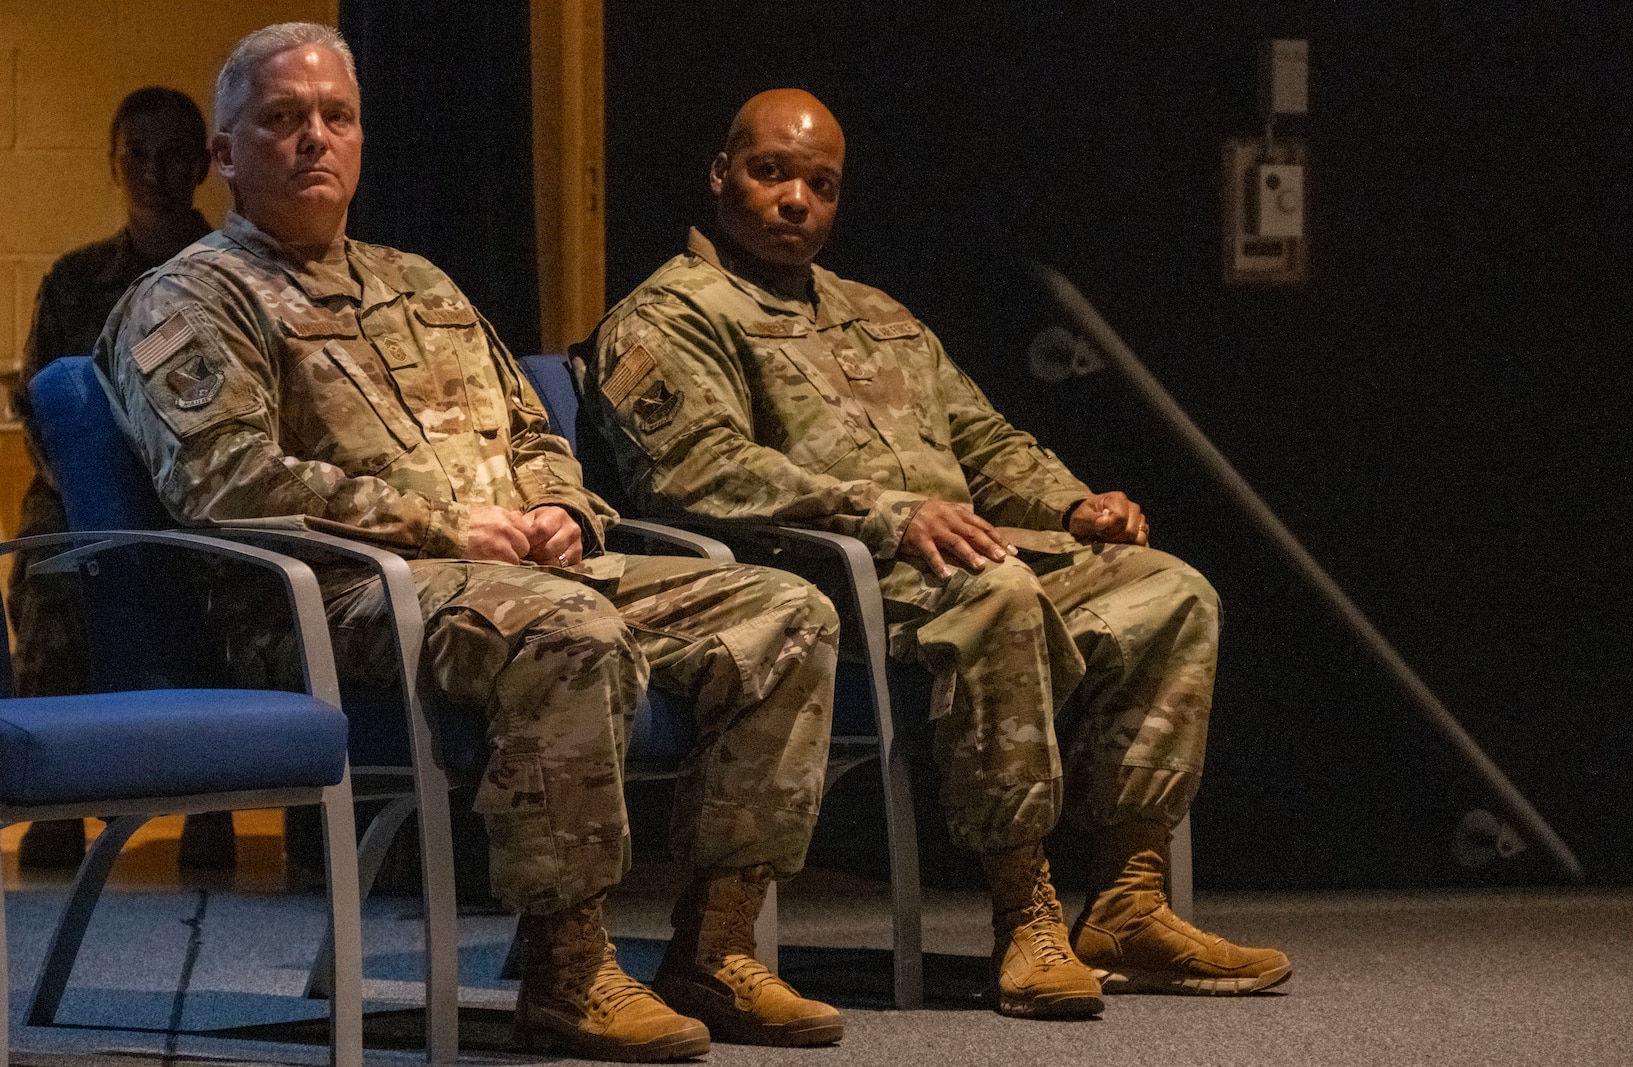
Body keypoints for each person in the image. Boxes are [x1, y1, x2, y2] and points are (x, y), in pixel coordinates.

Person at [95, 27, 843, 1060]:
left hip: (512, 573)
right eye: (281, 118)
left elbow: (537, 430)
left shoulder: (420, 282)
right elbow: (224, 482)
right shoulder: (190, 297)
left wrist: (559, 509)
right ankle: (566, 964)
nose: (316, 136)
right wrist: (445, 525)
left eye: (336, 117)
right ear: (225, 154)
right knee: (568, 627)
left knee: (786, 613)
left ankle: (715, 944)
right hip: (335, 602)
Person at [575, 89, 1293, 1019]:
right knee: (995, 592)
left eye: (821, 184)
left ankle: (1127, 899)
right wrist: (886, 511)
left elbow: (987, 444)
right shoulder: (670, 313)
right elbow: (700, 473)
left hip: (950, 554)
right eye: (771, 172)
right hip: (820, 573)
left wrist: (1075, 505)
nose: (796, 199)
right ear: (721, 173)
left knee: (1168, 590)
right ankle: (1020, 910)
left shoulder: (878, 313)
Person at [10, 87, 233, 871]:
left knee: (227, 586)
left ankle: (210, 803)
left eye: (173, 153)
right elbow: (39, 402)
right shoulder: (76, 280)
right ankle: (55, 800)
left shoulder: (230, 274)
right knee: (48, 570)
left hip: (200, 496)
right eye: (135, 154)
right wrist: (85, 489)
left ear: (204, 164)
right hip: (76, 493)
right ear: (113, 163)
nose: (153, 171)